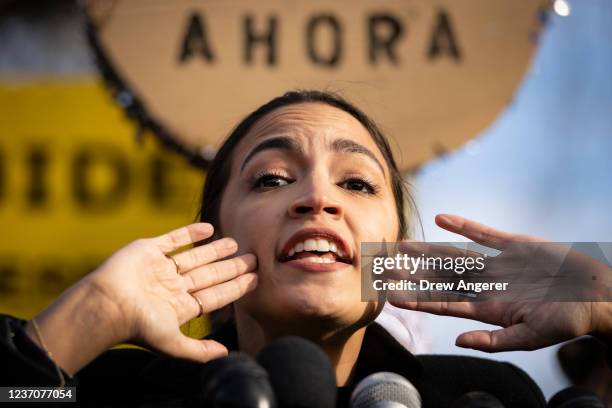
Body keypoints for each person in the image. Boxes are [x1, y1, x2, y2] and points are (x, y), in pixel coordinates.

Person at [1, 90, 611, 407]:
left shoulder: (489, 399)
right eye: (270, 178)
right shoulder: (110, 391)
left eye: (357, 183)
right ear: (214, 233)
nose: (317, 197)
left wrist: (605, 296)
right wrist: (84, 321)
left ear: (398, 250)